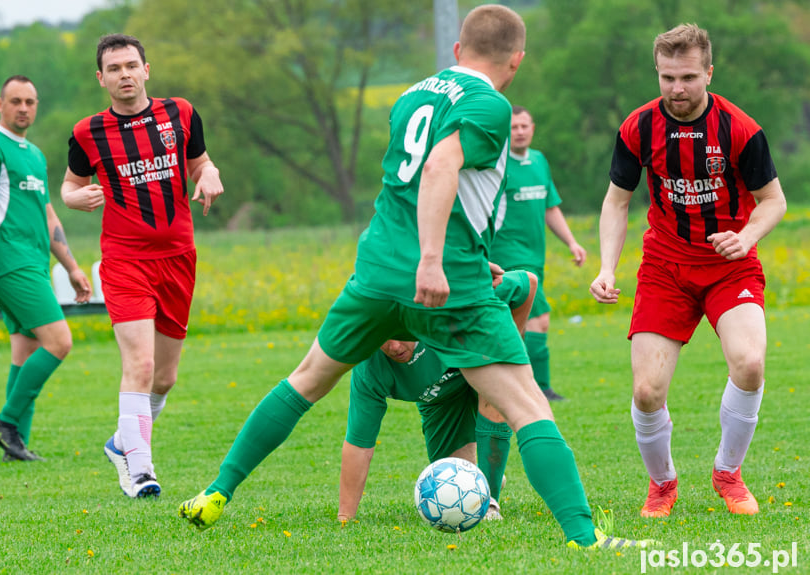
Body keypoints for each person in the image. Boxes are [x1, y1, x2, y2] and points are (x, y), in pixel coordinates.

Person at [179, 5, 648, 551]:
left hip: (377, 271)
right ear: (516, 61)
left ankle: (216, 492)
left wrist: (454, 249)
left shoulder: (410, 96)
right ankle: (585, 538)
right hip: (443, 280)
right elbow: (439, 167)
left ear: (457, 50)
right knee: (528, 406)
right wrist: (433, 258)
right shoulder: (490, 105)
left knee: (306, 378)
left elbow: (413, 183)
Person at [590, 24, 786, 518]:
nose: (677, 88)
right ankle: (663, 485)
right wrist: (607, 268)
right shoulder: (638, 127)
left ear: (709, 74)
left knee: (750, 361)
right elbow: (617, 202)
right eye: (668, 77)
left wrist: (746, 237)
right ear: (657, 72)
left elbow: (773, 201)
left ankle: (728, 474)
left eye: (689, 77)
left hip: (730, 267)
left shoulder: (740, 129)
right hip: (665, 267)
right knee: (647, 390)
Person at [61, 34, 224, 498]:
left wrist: (209, 173)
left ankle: (121, 444)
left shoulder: (181, 113)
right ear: (102, 78)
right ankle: (140, 470)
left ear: (146, 70)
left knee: (165, 377)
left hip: (177, 257)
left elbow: (201, 164)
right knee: (141, 362)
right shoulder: (85, 132)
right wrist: (78, 198)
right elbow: (70, 187)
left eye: (131, 65)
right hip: (124, 260)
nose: (124, 75)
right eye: (114, 69)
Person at [338, 270, 536, 522]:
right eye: (381, 338)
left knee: (495, 381)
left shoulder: (445, 303)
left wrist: (509, 348)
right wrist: (345, 519)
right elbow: (359, 445)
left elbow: (527, 283)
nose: (395, 347)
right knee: (454, 478)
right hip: (441, 401)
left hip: (480, 364)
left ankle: (489, 504)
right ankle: (484, 472)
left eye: (398, 334)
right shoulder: (369, 368)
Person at [0, 75, 91, 462]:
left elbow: (47, 213)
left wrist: (70, 266)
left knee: (26, 349)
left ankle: (14, 445)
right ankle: (5, 423)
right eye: (16, 101)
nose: (24, 108)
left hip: (35, 263)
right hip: (10, 263)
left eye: (30, 102)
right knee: (59, 341)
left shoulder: (35, 155)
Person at [490, 106, 587, 402]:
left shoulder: (539, 161)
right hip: (508, 255)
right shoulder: (497, 165)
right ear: (506, 131)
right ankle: (539, 388)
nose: (519, 131)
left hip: (536, 255)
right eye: (514, 127)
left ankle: (512, 386)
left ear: (532, 128)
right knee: (539, 319)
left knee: (514, 326)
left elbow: (550, 206)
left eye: (524, 126)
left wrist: (571, 242)